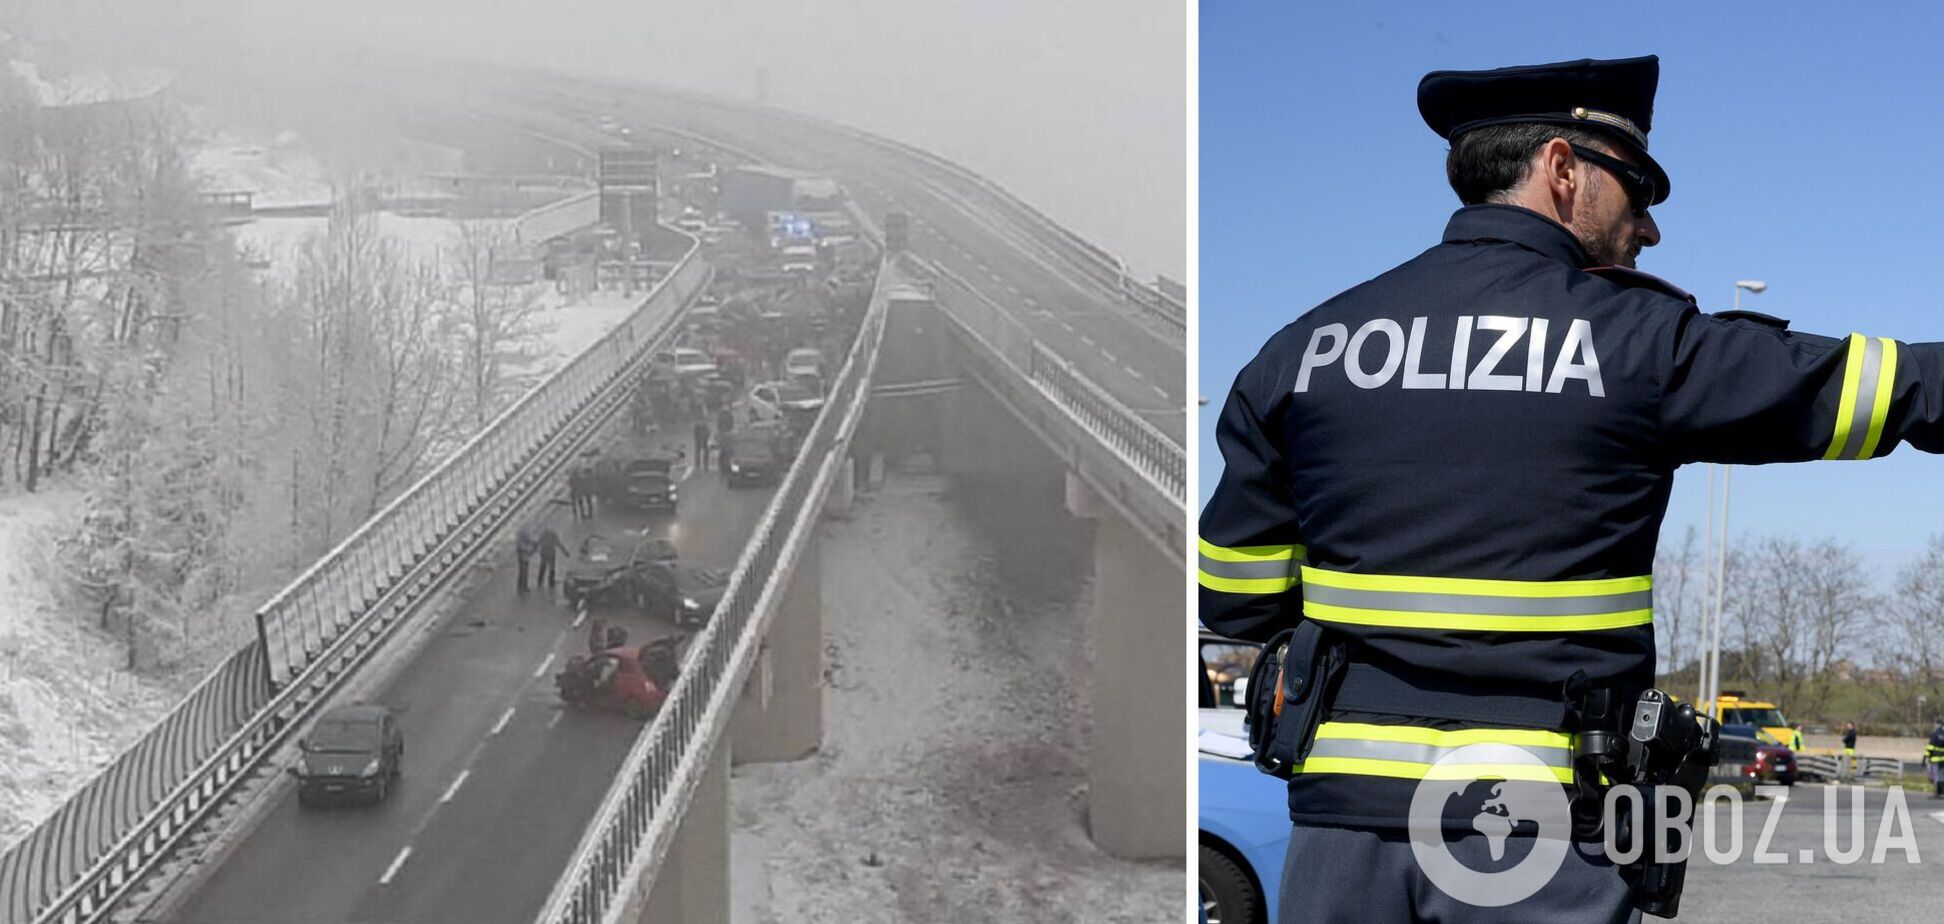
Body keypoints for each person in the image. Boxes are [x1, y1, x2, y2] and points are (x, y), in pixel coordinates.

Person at [1200, 55, 1944, 922]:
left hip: (1340, 841)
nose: (1650, 227)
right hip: (1537, 839)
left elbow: (1236, 596)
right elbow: (1883, 389)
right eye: (1637, 188)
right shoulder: (1636, 343)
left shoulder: (1304, 349)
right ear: (1561, 170)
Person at [535, 523, 571, 593]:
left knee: (543, 567)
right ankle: (551, 583)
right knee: (551, 569)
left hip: (544, 553)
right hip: (551, 553)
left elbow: (538, 543)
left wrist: (533, 550)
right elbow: (559, 543)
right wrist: (565, 552)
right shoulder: (553, 534)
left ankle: (540, 582)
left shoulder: (543, 534)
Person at [514, 523, 540, 595]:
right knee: (523, 571)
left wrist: (534, 544)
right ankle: (520, 588)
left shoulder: (523, 536)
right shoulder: (520, 539)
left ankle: (524, 586)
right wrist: (530, 549)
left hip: (525, 556)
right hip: (522, 557)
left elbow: (529, 540)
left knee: (525, 571)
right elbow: (521, 546)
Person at [1926, 720, 1944, 799]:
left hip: (1936, 759)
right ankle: (1941, 792)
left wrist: (1927, 757)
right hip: (1942, 759)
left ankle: (1938, 793)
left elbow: (1930, 747)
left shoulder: (1936, 734)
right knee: (1941, 776)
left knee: (1937, 776)